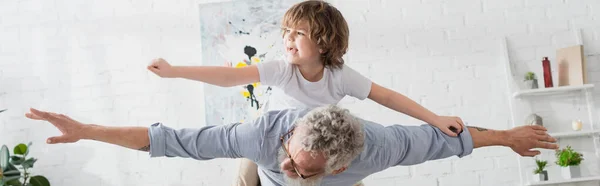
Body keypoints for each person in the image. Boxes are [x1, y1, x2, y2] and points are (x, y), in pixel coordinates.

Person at [147, 1, 464, 185]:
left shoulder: (339, 77)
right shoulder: (282, 69)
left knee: (352, 175)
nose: (288, 38)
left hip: (314, 150)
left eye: (299, 33)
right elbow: (231, 76)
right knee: (245, 178)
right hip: (271, 141)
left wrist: (435, 119)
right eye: (287, 31)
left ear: (324, 43)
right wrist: (175, 71)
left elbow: (387, 96)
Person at [25, 105, 558, 186]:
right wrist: (87, 131)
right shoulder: (260, 137)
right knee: (251, 173)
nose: (292, 167)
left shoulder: (384, 148)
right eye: (292, 154)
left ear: (342, 165)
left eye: (303, 169)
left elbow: (449, 140)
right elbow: (167, 141)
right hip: (253, 176)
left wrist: (506, 138)